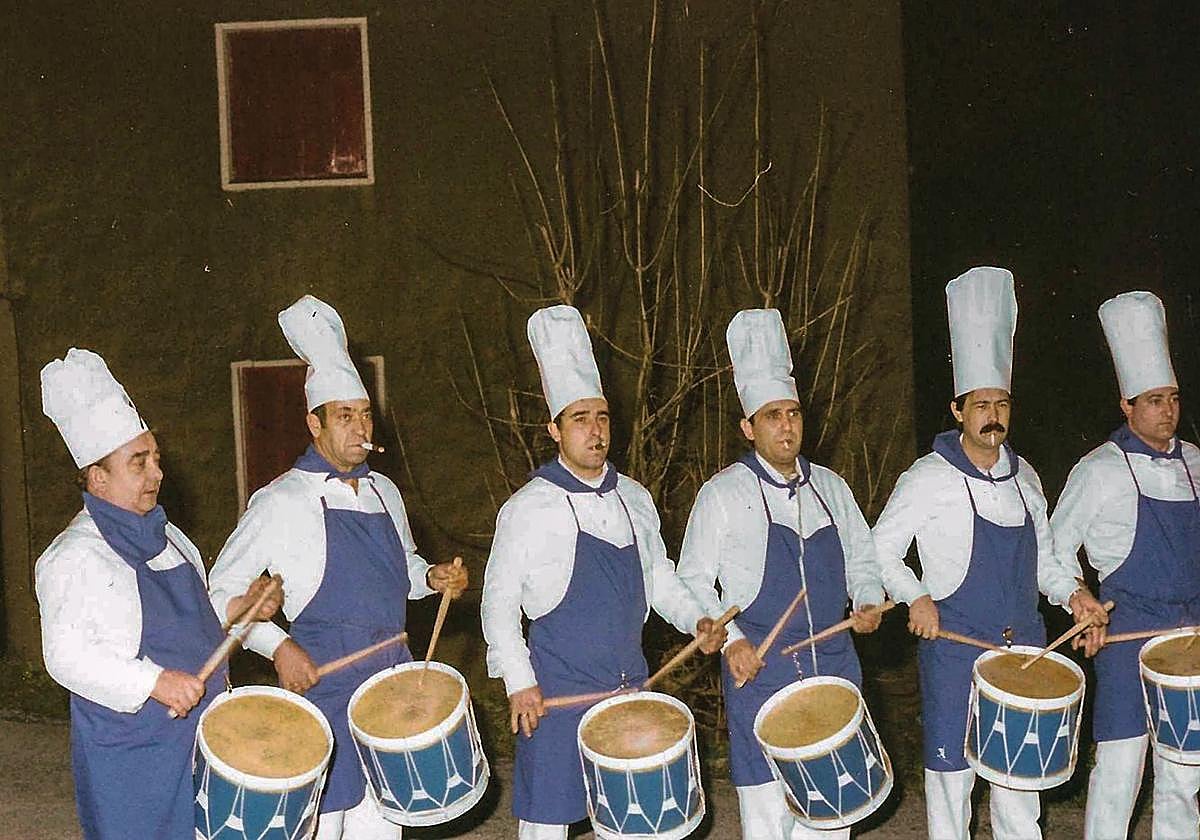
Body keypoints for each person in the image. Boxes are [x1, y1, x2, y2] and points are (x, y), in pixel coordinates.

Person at [208, 295, 467, 840]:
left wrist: (430, 578)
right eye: (344, 416)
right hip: (322, 687)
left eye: (365, 413)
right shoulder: (281, 500)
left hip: (392, 688)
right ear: (314, 423)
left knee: (384, 825)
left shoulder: (385, 492)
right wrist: (277, 646)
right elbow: (221, 591)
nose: (359, 427)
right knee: (324, 826)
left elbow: (404, 567)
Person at [871, 267, 1107, 840]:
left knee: (1019, 791)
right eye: (980, 405)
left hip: (1024, 651)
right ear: (957, 411)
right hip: (954, 651)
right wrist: (915, 596)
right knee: (952, 786)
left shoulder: (1026, 477)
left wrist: (1074, 593)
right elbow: (878, 550)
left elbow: (1046, 560)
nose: (993, 416)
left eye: (1001, 403)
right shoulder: (928, 477)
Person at [480, 304, 727, 840]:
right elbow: (497, 605)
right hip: (555, 701)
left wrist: (697, 620)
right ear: (554, 429)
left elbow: (658, 579)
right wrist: (519, 684)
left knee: (638, 826)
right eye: (579, 419)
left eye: (602, 417)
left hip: (628, 694)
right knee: (545, 828)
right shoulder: (529, 507)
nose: (595, 431)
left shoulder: (635, 498)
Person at [36, 348, 280, 839]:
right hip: (133, 753)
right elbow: (64, 656)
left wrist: (241, 610)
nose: (157, 473)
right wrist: (153, 681)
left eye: (156, 458)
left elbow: (196, 614)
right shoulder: (75, 554)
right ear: (97, 476)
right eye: (138, 463)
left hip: (203, 738)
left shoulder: (172, 537)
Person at [677, 308, 885, 839]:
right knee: (769, 821)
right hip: (759, 671)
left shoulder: (833, 488)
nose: (787, 425)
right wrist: (733, 643)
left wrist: (866, 600)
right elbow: (693, 582)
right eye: (773, 415)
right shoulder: (723, 494)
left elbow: (863, 560)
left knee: (832, 817)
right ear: (748, 426)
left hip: (835, 666)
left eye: (793, 413)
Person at [1050, 290, 1200, 840]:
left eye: (1174, 398)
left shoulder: (1196, 463)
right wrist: (1078, 597)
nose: (1168, 410)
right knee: (1120, 767)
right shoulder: (1099, 470)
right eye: (1155, 400)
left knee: (1186, 773)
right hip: (1128, 636)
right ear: (1127, 406)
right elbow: (1053, 548)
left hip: (1191, 637)